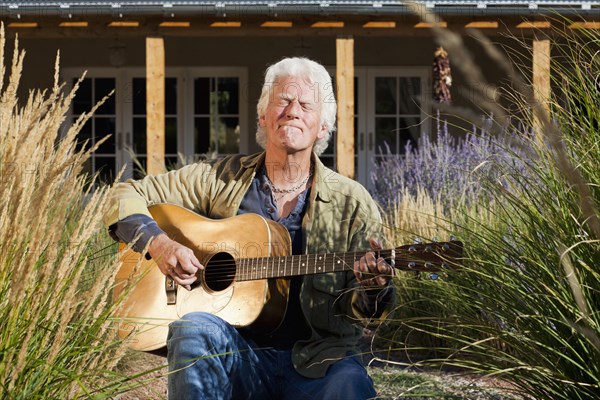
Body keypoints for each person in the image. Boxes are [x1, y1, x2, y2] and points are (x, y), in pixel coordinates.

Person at [104, 57, 395, 400]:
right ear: (262, 116)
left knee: (352, 384)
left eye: (305, 104)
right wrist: (161, 245)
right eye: (283, 101)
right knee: (193, 327)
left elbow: (369, 312)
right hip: (236, 355)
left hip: (319, 364)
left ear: (323, 127)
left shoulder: (353, 202)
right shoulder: (219, 179)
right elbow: (125, 193)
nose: (292, 111)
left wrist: (373, 288)